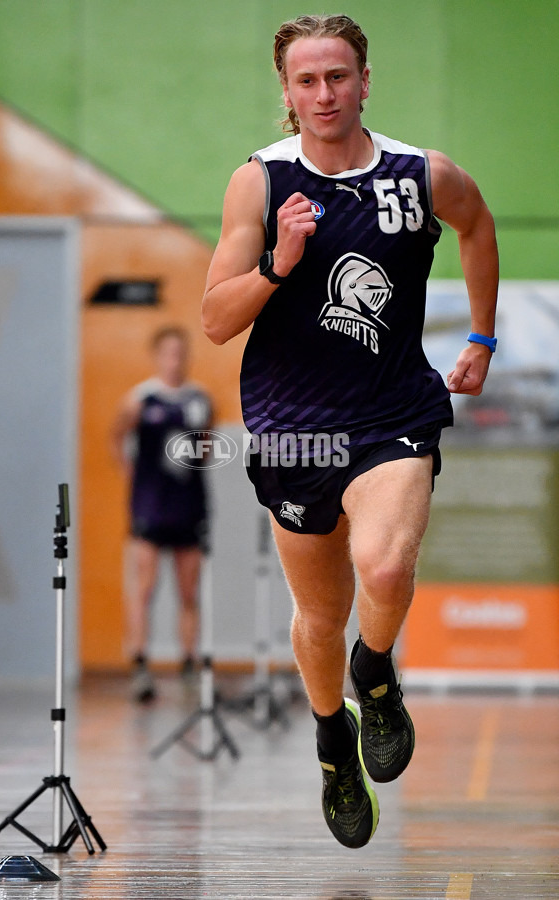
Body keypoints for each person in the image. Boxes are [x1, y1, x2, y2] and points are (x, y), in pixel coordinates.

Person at [202, 14, 498, 848]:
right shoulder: (258, 183)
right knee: (320, 615)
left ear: (365, 81)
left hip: (392, 410)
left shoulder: (419, 174)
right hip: (295, 426)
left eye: (337, 77)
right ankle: (334, 740)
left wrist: (479, 336)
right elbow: (216, 319)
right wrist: (277, 264)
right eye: (306, 81)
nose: (323, 94)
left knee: (387, 563)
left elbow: (476, 225)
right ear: (287, 93)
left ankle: (377, 673)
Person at [112, 326, 212, 703]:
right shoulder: (140, 398)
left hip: (188, 505)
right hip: (150, 506)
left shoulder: (199, 399)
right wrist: (131, 474)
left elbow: (205, 448)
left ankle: (189, 663)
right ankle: (140, 664)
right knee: (144, 587)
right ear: (157, 356)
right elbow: (116, 435)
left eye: (180, 352)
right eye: (168, 352)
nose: (175, 360)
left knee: (189, 590)